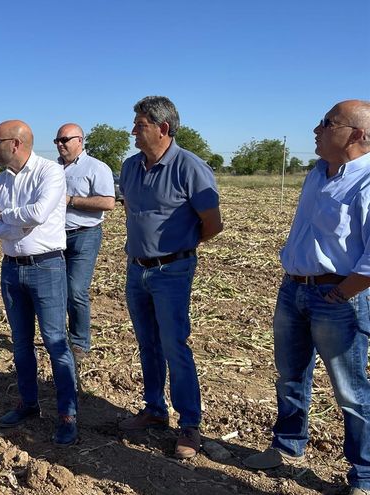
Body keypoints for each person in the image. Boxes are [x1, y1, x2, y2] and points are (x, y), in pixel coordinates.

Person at [243, 100, 370, 495]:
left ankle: (364, 475)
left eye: (326, 123)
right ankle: (287, 447)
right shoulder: (316, 174)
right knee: (290, 376)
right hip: (293, 289)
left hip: (336, 298)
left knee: (350, 391)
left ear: (358, 135)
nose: (316, 129)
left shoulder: (367, 182)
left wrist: (340, 293)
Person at [117, 96, 223, 460]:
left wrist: (178, 249)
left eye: (140, 124)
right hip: (137, 268)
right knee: (147, 343)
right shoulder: (130, 167)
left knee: (175, 346)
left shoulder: (190, 167)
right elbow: (132, 210)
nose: (133, 130)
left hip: (172, 271)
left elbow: (213, 223)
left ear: (162, 128)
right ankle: (154, 409)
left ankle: (190, 424)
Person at [0, 120, 79, 446]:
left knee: (55, 341)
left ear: (16, 144)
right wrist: (16, 225)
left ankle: (67, 414)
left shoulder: (50, 172)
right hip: (12, 268)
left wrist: (6, 218)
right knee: (21, 343)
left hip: (46, 266)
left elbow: (37, 213)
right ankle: (28, 403)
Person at [54, 123, 115, 363]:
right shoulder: (52, 169)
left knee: (76, 289)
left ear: (80, 140)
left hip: (84, 234)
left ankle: (79, 342)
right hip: (56, 236)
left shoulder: (97, 168)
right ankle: (59, 338)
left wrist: (71, 200)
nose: (60, 144)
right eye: (57, 141)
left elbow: (108, 203)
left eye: (65, 140)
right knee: (57, 291)